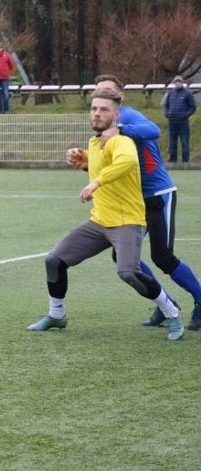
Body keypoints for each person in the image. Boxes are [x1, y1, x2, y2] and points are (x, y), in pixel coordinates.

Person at [28, 86, 185, 341]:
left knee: (128, 272)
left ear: (116, 114)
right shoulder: (95, 142)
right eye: (94, 109)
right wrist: (80, 159)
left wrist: (96, 182)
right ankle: (57, 315)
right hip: (100, 221)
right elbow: (98, 162)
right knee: (54, 261)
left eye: (104, 110)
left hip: (128, 222)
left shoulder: (123, 141)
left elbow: (127, 162)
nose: (97, 114)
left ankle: (172, 311)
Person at [68, 74, 201, 331]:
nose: (102, 98)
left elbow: (154, 130)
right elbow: (113, 167)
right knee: (123, 255)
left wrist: (121, 129)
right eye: (99, 93)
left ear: (121, 97)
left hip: (159, 194)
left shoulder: (126, 117)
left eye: (109, 92)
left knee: (162, 257)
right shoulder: (104, 124)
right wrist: (84, 162)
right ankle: (166, 305)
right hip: (135, 200)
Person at [163, 76, 196, 163]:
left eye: (179, 82)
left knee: (184, 141)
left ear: (182, 83)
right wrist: (167, 114)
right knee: (172, 141)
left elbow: (192, 107)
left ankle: (185, 160)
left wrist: (185, 115)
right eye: (176, 82)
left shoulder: (188, 93)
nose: (177, 83)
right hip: (172, 121)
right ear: (174, 83)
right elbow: (166, 105)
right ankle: (173, 159)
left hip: (183, 122)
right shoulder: (170, 93)